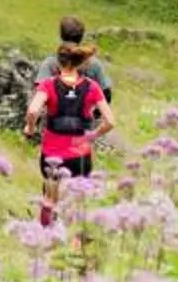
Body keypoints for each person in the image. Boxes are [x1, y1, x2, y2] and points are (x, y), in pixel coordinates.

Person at [27, 41, 115, 227]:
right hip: (80, 155)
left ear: (58, 63)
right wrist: (92, 135)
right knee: (77, 202)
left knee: (50, 199)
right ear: (80, 63)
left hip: (52, 155)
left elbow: (33, 111)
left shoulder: (48, 85)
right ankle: (74, 244)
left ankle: (46, 237)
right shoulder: (92, 87)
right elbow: (110, 122)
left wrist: (30, 128)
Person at [35, 15, 114, 103]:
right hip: (87, 114)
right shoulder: (94, 64)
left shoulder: (50, 63)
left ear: (61, 35)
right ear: (81, 37)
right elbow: (107, 94)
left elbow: (39, 93)